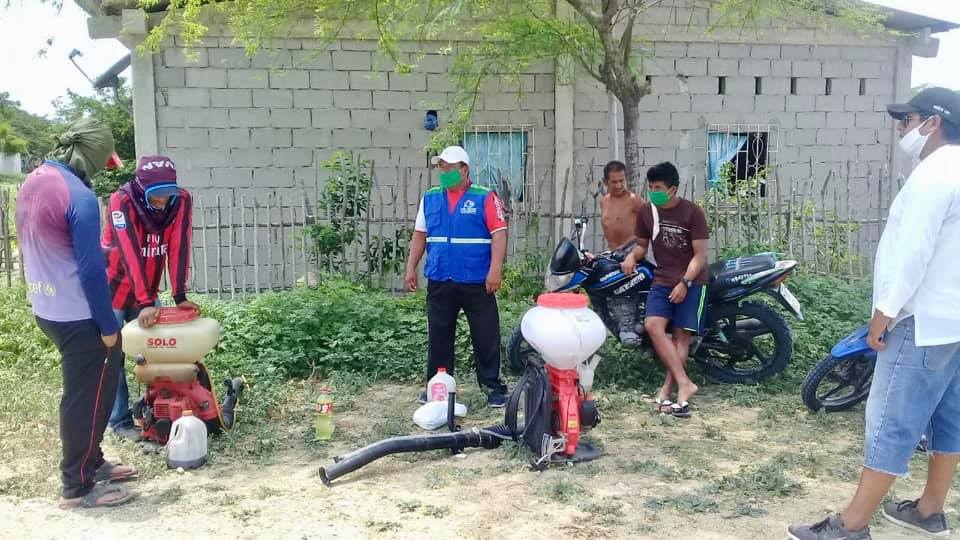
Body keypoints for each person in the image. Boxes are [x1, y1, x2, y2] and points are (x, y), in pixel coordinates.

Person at [788, 88, 960, 540]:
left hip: (919, 319)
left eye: (907, 120)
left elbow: (913, 253)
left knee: (891, 419)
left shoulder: (933, 175)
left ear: (933, 123)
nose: (902, 128)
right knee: (948, 417)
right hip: (953, 322)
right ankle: (928, 510)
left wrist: (885, 312)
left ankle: (851, 525)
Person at [16, 118, 136, 509]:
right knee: (85, 397)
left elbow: (48, 241)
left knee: (91, 388)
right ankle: (77, 485)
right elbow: (89, 271)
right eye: (102, 163)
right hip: (78, 313)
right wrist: (107, 325)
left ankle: (93, 460)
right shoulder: (80, 196)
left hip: (46, 305)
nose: (100, 171)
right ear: (92, 155)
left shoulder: (35, 180)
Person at [403, 145, 509, 407]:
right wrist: (410, 267)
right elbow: (420, 234)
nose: (445, 172)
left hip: (477, 280)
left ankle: (492, 387)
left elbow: (499, 233)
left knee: (485, 335)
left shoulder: (485, 197)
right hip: (440, 278)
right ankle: (437, 386)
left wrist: (495, 269)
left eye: (450, 168)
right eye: (442, 167)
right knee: (439, 335)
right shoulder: (430, 198)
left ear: (464, 169)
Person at [102, 155, 196, 441]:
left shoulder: (181, 200)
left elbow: (179, 244)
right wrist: (145, 302)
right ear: (142, 188)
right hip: (112, 288)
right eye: (156, 194)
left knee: (158, 351)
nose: (163, 200)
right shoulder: (121, 201)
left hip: (147, 289)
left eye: (168, 192)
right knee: (112, 354)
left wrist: (179, 294)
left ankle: (156, 412)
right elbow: (128, 251)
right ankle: (119, 420)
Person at [620, 162, 709, 418]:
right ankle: (684, 383)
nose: (653, 192)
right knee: (653, 326)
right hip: (662, 279)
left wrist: (685, 283)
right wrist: (632, 257)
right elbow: (642, 245)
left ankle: (670, 389)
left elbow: (700, 256)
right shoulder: (647, 211)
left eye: (658, 188)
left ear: (672, 189)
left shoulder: (693, 213)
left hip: (693, 281)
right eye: (650, 187)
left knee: (681, 337)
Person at [599, 160, 641, 251]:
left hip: (632, 254)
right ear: (605, 181)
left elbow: (649, 226)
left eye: (621, 181)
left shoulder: (633, 200)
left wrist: (628, 246)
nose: (618, 185)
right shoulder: (603, 201)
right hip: (614, 254)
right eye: (614, 182)